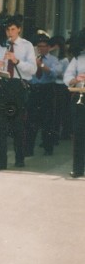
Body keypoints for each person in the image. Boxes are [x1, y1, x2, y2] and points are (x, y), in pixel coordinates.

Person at [0, 15, 37, 171]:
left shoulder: (26, 46)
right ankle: (0, 161)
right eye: (7, 30)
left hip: (17, 86)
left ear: (18, 30)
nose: (10, 33)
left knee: (17, 124)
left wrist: (17, 61)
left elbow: (32, 69)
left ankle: (19, 157)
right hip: (2, 84)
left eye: (12, 29)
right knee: (0, 126)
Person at [25, 34, 61, 157]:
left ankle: (48, 147)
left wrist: (41, 65)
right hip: (35, 89)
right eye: (39, 46)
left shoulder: (53, 60)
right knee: (31, 121)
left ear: (48, 47)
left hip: (47, 89)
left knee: (48, 120)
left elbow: (55, 74)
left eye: (44, 46)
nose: (41, 49)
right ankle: (28, 148)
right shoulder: (32, 59)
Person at [62, 29, 85, 178]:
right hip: (81, 96)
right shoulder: (79, 58)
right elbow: (67, 76)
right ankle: (78, 168)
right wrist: (75, 80)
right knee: (79, 133)